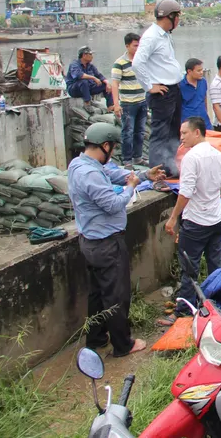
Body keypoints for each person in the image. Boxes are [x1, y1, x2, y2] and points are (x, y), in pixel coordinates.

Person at [68, 123, 165, 357]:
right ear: (105, 145)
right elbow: (113, 205)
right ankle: (123, 345)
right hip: (107, 244)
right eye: (112, 149)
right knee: (116, 296)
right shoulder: (90, 174)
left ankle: (96, 338)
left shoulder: (80, 164)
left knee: (97, 294)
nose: (111, 154)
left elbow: (111, 173)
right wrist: (131, 187)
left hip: (90, 242)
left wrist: (143, 175)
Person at [165, 117, 221, 318]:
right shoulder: (218, 154)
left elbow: (185, 193)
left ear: (197, 132)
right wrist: (210, 198)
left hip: (196, 222)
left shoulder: (191, 158)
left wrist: (173, 217)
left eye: (184, 133)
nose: (181, 137)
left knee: (189, 268)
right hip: (217, 218)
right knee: (215, 264)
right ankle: (218, 303)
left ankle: (184, 311)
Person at [132, 0, 185, 177]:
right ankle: (157, 174)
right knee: (160, 134)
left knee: (173, 132)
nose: (178, 20)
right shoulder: (151, 36)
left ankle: (170, 168)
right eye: (177, 16)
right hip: (162, 92)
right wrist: (149, 86)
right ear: (170, 16)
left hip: (173, 89)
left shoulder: (165, 35)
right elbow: (137, 63)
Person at [110, 33, 147, 168]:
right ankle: (127, 160)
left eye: (139, 45)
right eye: (135, 46)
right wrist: (116, 104)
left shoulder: (142, 61)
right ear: (127, 46)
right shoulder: (120, 63)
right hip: (128, 103)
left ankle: (138, 157)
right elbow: (115, 84)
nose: (138, 48)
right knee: (128, 132)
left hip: (142, 101)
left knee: (140, 131)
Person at [179, 58, 212, 130]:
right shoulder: (180, 86)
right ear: (189, 71)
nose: (201, 72)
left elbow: (204, 99)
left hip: (205, 122)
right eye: (198, 71)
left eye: (202, 70)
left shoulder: (203, 82)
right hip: (189, 125)